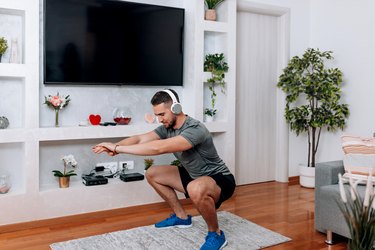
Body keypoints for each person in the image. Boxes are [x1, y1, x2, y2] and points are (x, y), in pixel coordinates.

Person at [92, 89, 236, 250]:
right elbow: (140, 138)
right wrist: (114, 146)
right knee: (152, 173)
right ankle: (181, 217)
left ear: (176, 108)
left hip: (219, 179)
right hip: (193, 176)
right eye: (157, 115)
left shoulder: (195, 129)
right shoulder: (167, 128)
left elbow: (158, 148)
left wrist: (118, 149)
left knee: (195, 187)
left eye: (162, 114)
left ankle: (216, 234)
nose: (159, 119)